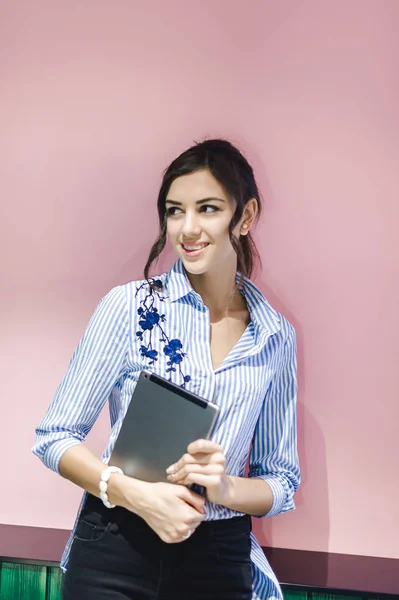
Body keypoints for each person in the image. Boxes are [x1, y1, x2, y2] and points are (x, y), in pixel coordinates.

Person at [33, 138, 300, 600]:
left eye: (208, 208)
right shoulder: (130, 307)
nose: (187, 228)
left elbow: (282, 481)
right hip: (116, 548)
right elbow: (53, 438)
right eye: (175, 211)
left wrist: (225, 489)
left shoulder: (275, 336)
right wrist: (138, 496)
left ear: (247, 216)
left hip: (218, 557)